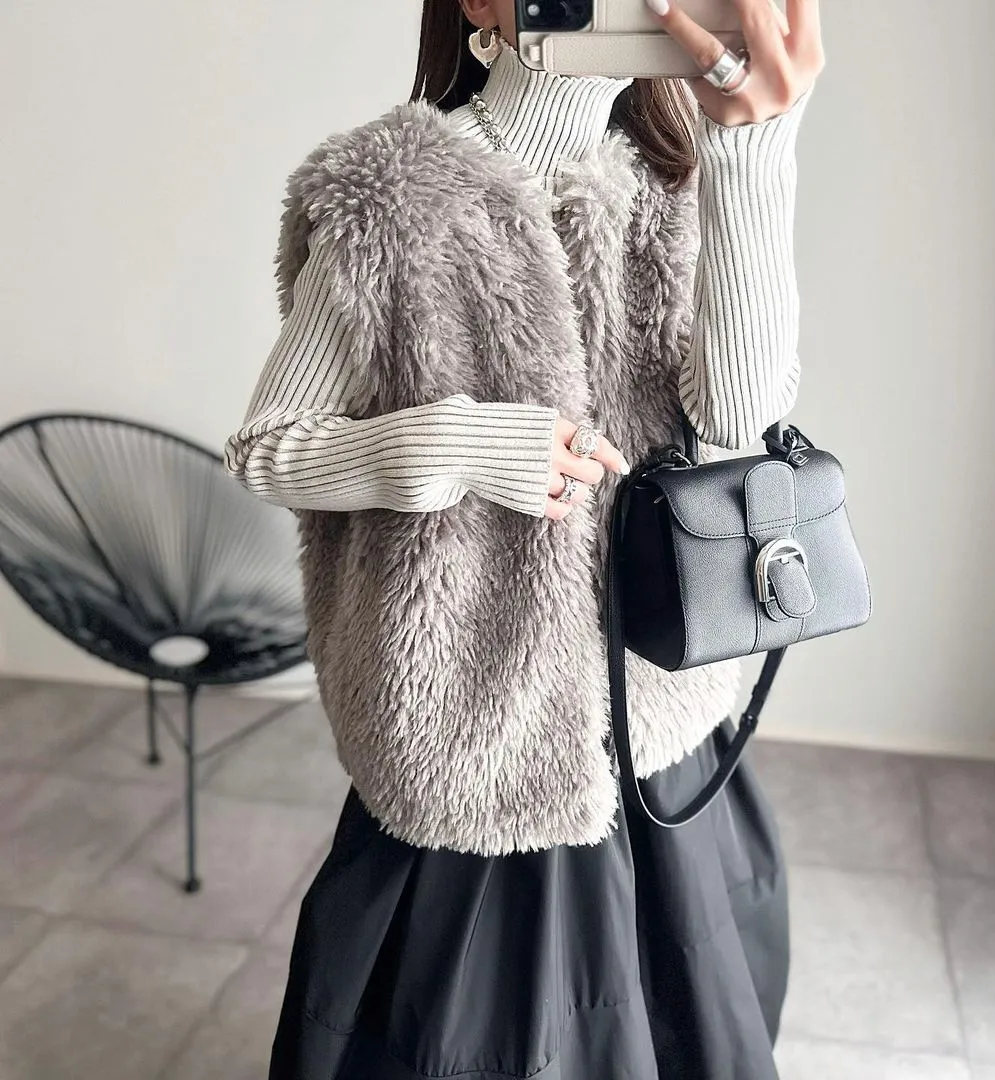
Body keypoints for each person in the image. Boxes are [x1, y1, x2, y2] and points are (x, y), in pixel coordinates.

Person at [225, 0, 823, 1076]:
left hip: (660, 718)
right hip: (471, 735)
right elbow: (268, 449)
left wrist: (755, 152)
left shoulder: (677, 180)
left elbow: (740, 425)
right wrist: (452, 445)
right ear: (476, 5)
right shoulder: (386, 197)